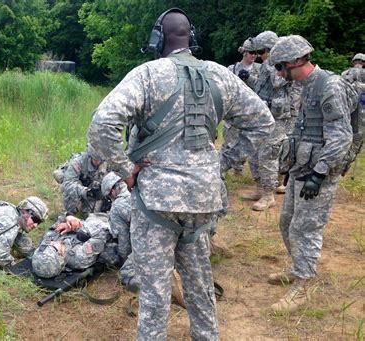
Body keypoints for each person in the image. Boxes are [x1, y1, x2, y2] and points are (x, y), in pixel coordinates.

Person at [87, 8, 274, 340]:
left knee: (155, 291)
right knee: (200, 283)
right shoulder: (220, 75)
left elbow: (102, 124)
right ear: (192, 38)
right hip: (203, 201)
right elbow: (263, 122)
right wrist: (223, 161)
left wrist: (126, 170)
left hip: (156, 203)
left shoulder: (147, 74)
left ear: (158, 38)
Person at [269, 35, 355, 312]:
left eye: (282, 67)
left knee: (305, 227)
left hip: (319, 171)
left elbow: (341, 136)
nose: (280, 74)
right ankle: (298, 268)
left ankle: (304, 285)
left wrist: (319, 174)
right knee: (286, 221)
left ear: (296, 60)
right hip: (301, 168)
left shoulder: (328, 86)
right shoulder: (306, 86)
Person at [243, 31, 291, 211]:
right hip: (262, 114)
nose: (258, 55)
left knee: (268, 155)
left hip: (277, 117)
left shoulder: (282, 64)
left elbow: (279, 82)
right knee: (254, 152)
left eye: (262, 51)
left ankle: (269, 194)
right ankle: (260, 187)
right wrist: (249, 78)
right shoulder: (267, 64)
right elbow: (261, 85)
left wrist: (271, 62)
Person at [223, 38, 261, 176]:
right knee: (230, 142)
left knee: (252, 142)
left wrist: (250, 78)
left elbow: (263, 87)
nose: (254, 55)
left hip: (253, 111)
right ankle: (234, 170)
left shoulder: (261, 69)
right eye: (251, 52)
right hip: (235, 111)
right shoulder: (232, 69)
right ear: (244, 52)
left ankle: (254, 173)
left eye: (256, 53)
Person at [31, 213, 110, 278]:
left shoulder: (46, 242)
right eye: (53, 247)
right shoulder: (79, 257)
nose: (51, 242)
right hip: (107, 221)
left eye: (48, 244)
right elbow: (103, 233)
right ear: (60, 255)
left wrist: (69, 219)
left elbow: (62, 217)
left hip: (91, 218)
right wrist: (79, 225)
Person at [61, 145, 107, 215]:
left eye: (101, 160)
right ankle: (71, 212)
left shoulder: (107, 163)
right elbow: (67, 184)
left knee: (91, 215)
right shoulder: (78, 162)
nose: (98, 162)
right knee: (71, 201)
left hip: (93, 190)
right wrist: (87, 192)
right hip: (78, 188)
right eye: (95, 159)